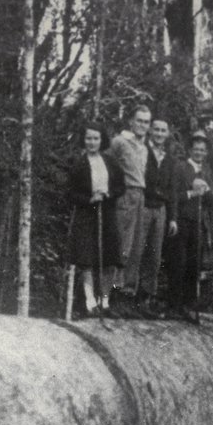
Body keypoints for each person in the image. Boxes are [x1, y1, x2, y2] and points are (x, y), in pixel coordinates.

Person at [66, 123, 125, 315]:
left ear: (102, 140)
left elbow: (121, 187)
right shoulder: (78, 162)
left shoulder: (110, 161)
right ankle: (90, 302)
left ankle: (105, 301)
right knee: (87, 259)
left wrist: (107, 194)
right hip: (86, 215)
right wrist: (89, 199)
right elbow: (69, 193)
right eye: (88, 138)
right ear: (83, 140)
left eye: (96, 138)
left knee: (110, 258)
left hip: (107, 213)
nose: (92, 142)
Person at [165, 131, 213, 321]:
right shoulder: (180, 168)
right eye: (196, 149)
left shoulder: (207, 172)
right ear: (189, 150)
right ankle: (174, 305)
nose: (199, 153)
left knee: (194, 265)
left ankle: (189, 304)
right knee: (178, 262)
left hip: (198, 223)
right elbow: (173, 196)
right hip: (182, 221)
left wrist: (206, 189)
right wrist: (191, 193)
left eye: (202, 150)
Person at [132, 116, 179, 316]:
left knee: (154, 254)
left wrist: (173, 217)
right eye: (156, 130)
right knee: (136, 250)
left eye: (163, 131)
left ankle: (146, 300)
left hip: (160, 209)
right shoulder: (142, 151)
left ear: (167, 134)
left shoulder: (169, 159)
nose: (159, 134)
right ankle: (126, 297)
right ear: (150, 130)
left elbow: (173, 190)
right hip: (143, 205)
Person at [107, 105, 151, 312]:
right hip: (125, 194)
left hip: (140, 195)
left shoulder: (144, 147)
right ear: (131, 122)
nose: (142, 125)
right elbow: (107, 163)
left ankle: (125, 294)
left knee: (135, 246)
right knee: (121, 244)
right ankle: (109, 294)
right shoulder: (119, 141)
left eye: (146, 122)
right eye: (139, 121)